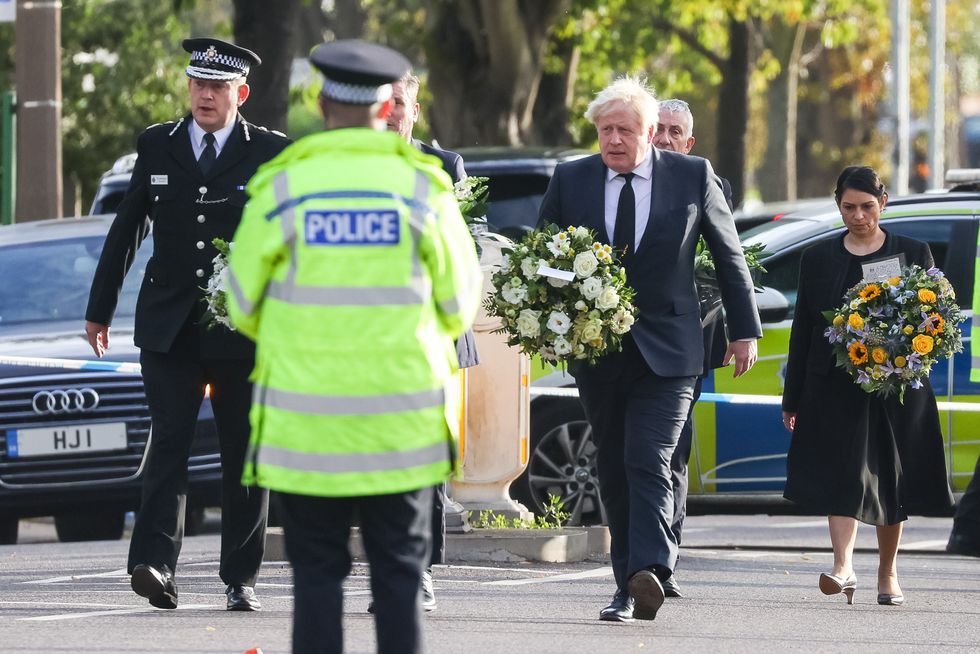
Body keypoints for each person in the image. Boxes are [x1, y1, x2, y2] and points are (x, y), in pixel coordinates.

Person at [225, 39, 481, 654]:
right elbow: (457, 305)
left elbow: (240, 302)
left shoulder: (285, 186)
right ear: (387, 105)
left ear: (320, 101)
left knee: (316, 582)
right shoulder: (423, 189)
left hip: (306, 429)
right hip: (402, 429)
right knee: (398, 581)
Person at [538, 76, 762, 622]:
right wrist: (543, 322)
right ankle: (626, 585)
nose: (613, 139)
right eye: (604, 129)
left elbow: (729, 257)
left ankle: (652, 570)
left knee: (651, 457)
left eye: (624, 129)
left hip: (671, 349)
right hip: (598, 351)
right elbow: (541, 255)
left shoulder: (691, 175)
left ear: (649, 131)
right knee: (612, 466)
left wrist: (744, 328)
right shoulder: (572, 180)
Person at [85, 37, 289, 611]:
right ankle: (154, 564)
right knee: (169, 441)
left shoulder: (271, 152)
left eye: (218, 87)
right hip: (169, 326)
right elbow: (126, 231)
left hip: (242, 330)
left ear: (240, 93)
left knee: (243, 452)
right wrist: (99, 309)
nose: (206, 95)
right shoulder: (158, 145)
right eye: (198, 84)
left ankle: (240, 577)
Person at [781, 166, 954, 606]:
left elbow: (935, 321)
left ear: (884, 202)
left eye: (867, 206)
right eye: (848, 207)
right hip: (834, 386)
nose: (858, 216)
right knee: (844, 471)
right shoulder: (818, 258)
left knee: (889, 478)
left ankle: (887, 573)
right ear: (838, 205)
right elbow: (803, 328)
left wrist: (908, 356)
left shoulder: (913, 252)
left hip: (897, 384)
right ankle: (843, 567)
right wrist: (793, 396)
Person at [384, 71, 479, 611]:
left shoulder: (443, 168)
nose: (393, 111)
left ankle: (417, 573)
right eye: (385, 102)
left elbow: (461, 255)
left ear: (414, 111)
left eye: (402, 103)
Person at [652, 98, 734, 598]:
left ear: (690, 141)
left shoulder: (708, 183)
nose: (664, 137)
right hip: (626, 340)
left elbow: (725, 264)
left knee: (673, 454)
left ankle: (667, 557)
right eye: (657, 128)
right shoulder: (619, 182)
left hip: (687, 344)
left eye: (673, 130)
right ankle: (646, 552)